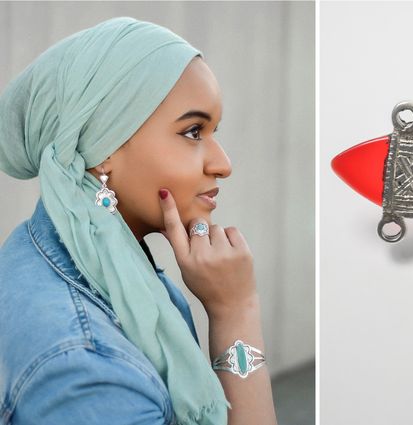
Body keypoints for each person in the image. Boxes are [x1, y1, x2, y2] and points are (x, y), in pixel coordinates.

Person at [0, 16, 277, 425]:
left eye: (214, 130)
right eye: (194, 131)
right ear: (103, 145)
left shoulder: (67, 253)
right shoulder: (88, 371)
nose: (223, 164)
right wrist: (236, 312)